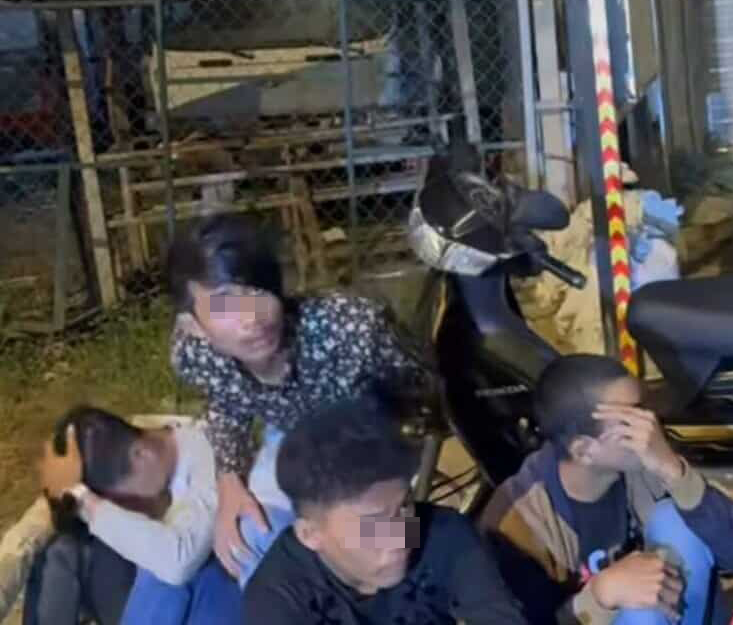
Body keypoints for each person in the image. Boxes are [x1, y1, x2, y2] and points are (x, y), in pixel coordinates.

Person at [166, 214, 428, 584]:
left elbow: (417, 394)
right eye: (225, 306)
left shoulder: (351, 328)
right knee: (248, 538)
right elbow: (227, 402)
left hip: (377, 437)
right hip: (294, 437)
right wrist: (229, 481)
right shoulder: (194, 355)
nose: (251, 319)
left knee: (370, 551)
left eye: (258, 292)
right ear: (192, 325)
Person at [480, 355, 733, 625]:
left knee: (675, 519)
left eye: (644, 410)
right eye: (630, 420)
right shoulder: (517, 520)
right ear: (584, 450)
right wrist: (599, 595)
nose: (649, 427)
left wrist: (674, 470)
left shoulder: (646, 459)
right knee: (641, 610)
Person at [241, 396, 528, 625]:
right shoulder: (277, 600)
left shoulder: (444, 534)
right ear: (310, 534)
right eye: (373, 523)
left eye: (404, 505)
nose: (400, 536)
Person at [30, 406, 240, 625]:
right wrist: (68, 496)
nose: (125, 512)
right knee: (61, 551)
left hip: (207, 598)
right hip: (153, 598)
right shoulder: (155, 460)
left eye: (123, 503)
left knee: (160, 571)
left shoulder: (211, 457)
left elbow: (177, 562)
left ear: (141, 454)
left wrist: (81, 496)